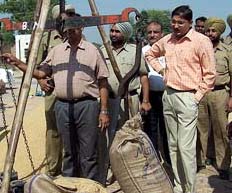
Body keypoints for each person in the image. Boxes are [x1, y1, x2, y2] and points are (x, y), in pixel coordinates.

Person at [2, 14, 110, 182]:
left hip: (87, 106)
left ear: (81, 28)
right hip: (62, 106)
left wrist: (103, 110)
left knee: (88, 152)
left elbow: (103, 81)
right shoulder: (57, 51)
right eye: (68, 29)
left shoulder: (92, 51)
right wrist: (17, 62)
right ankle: (69, 185)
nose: (70, 32)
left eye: (74, 29)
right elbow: (40, 72)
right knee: (68, 151)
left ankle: (90, 186)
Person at [145, 5, 216, 193]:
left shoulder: (201, 41)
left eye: (180, 23)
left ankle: (190, 189)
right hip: (168, 95)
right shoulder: (167, 40)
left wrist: (196, 97)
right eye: (173, 22)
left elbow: (210, 74)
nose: (176, 26)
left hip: (188, 97)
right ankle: (178, 186)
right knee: (174, 145)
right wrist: (161, 70)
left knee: (186, 148)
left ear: (190, 23)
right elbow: (150, 53)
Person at [100, 22, 151, 184]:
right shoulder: (103, 51)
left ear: (125, 34)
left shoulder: (135, 51)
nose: (113, 34)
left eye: (117, 31)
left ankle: (136, 169)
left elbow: (143, 76)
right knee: (110, 137)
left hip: (131, 99)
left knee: (133, 134)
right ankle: (114, 170)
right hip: (110, 100)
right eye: (112, 31)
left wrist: (145, 100)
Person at [36, 4, 76, 177]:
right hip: (52, 89)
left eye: (71, 14)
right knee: (53, 131)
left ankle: (73, 168)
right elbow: (36, 63)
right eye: (65, 14)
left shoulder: (77, 35)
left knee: (73, 128)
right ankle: (53, 169)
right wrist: (40, 80)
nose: (68, 17)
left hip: (73, 89)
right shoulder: (45, 37)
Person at [197, 17, 232, 180]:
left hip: (220, 94)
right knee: (200, 128)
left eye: (213, 31)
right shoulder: (200, 49)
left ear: (219, 32)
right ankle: (201, 161)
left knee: (221, 130)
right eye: (208, 30)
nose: (210, 33)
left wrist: (231, 98)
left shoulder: (227, 51)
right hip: (201, 92)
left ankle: (223, 166)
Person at [142, 20, 171, 164]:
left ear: (162, 33)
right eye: (149, 32)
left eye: (156, 32)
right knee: (150, 128)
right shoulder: (142, 51)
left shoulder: (169, 49)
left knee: (167, 129)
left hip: (167, 95)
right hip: (149, 96)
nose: (152, 35)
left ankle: (169, 160)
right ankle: (154, 160)